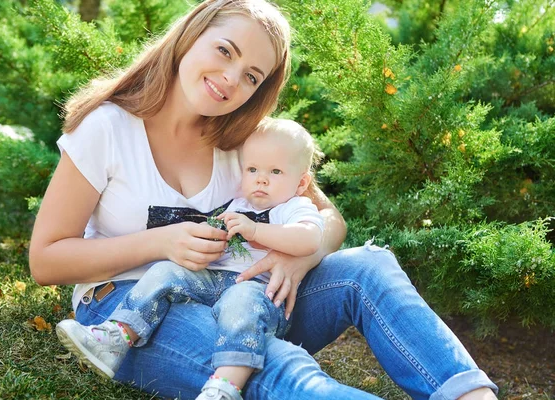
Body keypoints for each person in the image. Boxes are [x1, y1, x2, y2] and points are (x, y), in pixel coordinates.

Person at [29, 0, 499, 399]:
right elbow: (46, 260)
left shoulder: (245, 143)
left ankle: (468, 392)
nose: (231, 79)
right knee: (276, 367)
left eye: (252, 76)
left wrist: (300, 256)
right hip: (132, 308)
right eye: (224, 51)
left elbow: (328, 217)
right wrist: (160, 244)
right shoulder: (109, 129)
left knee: (369, 269)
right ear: (190, 35)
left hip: (245, 296)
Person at [55, 118, 325, 400]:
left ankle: (224, 387)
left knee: (239, 307)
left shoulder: (294, 207)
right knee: (167, 272)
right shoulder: (238, 202)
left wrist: (256, 230)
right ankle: (116, 336)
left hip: (257, 289)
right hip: (213, 280)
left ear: (301, 182)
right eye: (252, 169)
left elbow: (309, 238)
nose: (261, 179)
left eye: (276, 171)